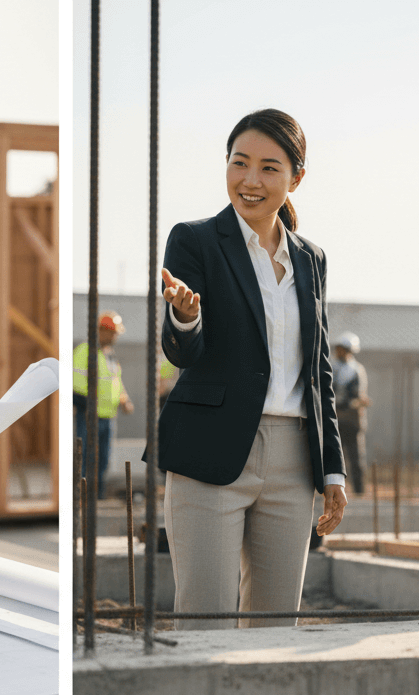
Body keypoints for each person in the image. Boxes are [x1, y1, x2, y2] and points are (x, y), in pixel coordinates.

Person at [148, 108, 348, 630]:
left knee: (277, 630)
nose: (250, 180)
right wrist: (186, 316)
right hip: (210, 453)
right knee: (204, 625)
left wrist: (332, 469)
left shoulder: (312, 259)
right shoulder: (194, 240)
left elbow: (318, 369)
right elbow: (183, 354)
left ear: (295, 178)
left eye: (268, 168)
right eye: (239, 163)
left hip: (293, 462)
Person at [72, 310, 133, 498]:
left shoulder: (110, 356)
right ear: (102, 331)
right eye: (113, 333)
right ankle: (82, 498)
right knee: (87, 459)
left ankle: (97, 496)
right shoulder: (85, 351)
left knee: (103, 460)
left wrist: (124, 399)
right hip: (89, 415)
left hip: (108, 416)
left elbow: (115, 381)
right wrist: (86, 405)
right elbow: (74, 383)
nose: (115, 337)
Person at [331, 332, 369, 496]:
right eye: (338, 349)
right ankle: (335, 491)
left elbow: (358, 396)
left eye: (343, 349)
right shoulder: (332, 368)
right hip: (335, 420)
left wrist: (351, 403)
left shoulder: (356, 370)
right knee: (335, 458)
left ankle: (359, 491)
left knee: (356, 457)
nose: (340, 352)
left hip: (353, 422)